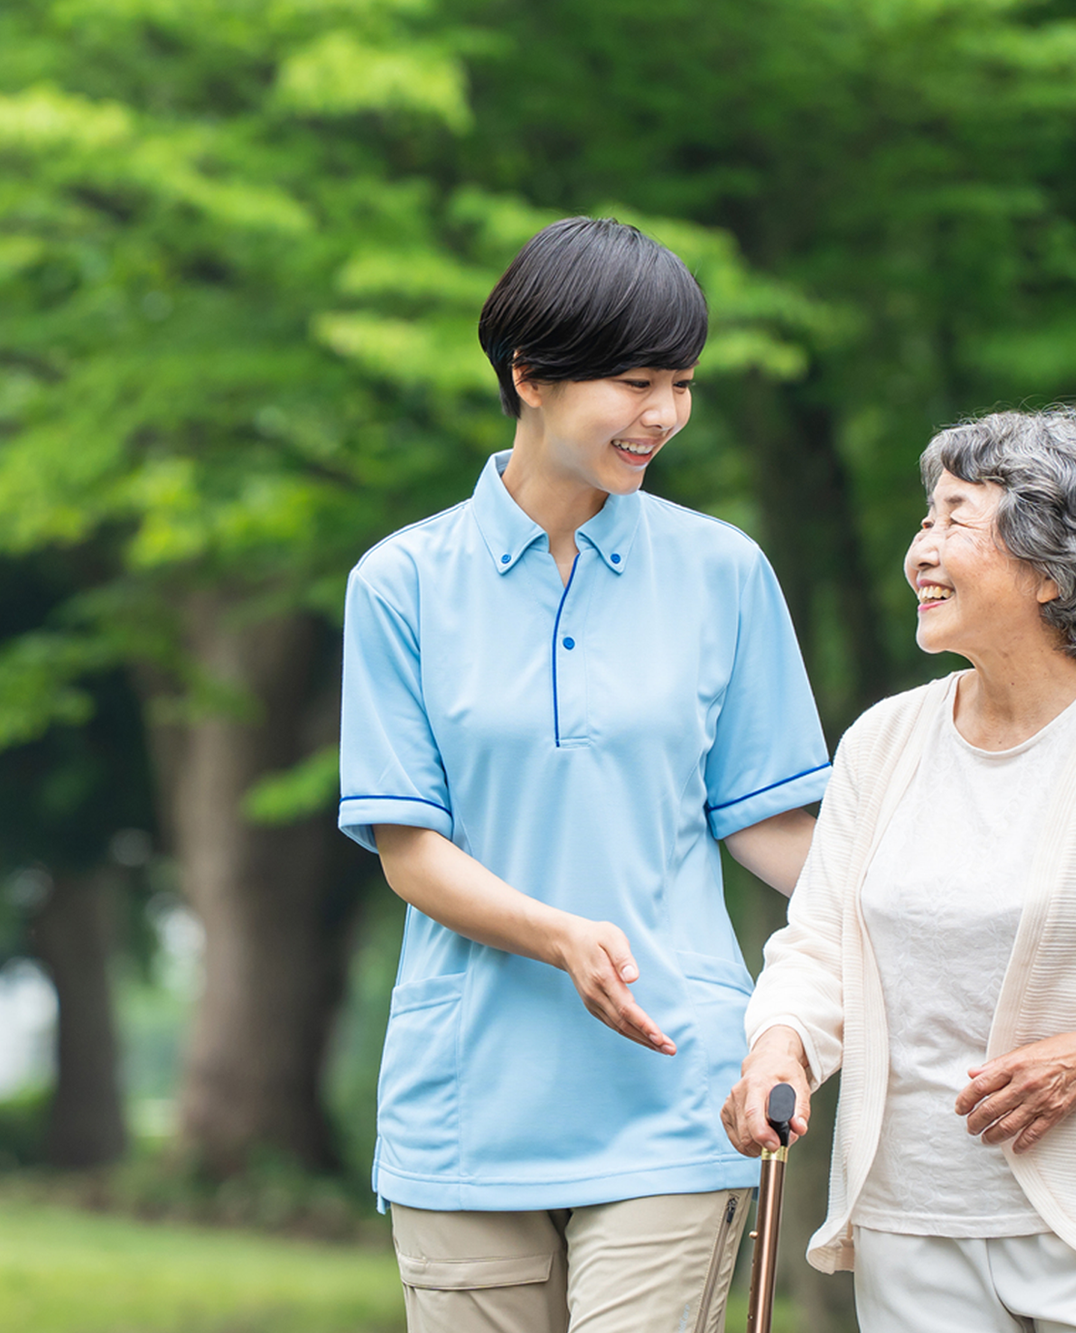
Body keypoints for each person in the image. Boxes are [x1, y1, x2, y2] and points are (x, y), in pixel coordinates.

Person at [338, 216, 831, 1333]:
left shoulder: (723, 573)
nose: (663, 415)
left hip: (674, 1087)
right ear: (529, 377)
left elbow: (771, 825)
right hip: (466, 1104)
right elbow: (409, 853)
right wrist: (560, 935)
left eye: (682, 383)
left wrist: (931, 908)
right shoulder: (401, 585)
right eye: (634, 381)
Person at [722, 407, 1076, 1332]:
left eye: (955, 520)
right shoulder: (883, 741)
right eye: (923, 521)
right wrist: (780, 1040)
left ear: (1049, 569)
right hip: (912, 1217)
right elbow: (820, 941)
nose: (921, 551)